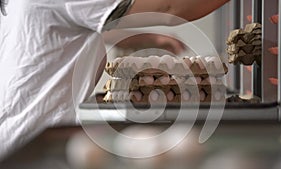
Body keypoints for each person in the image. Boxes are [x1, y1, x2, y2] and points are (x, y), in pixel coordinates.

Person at [0, 0, 229, 160]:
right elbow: (170, 7)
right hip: (33, 140)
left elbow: (74, 20)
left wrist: (139, 38)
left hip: (17, 134)